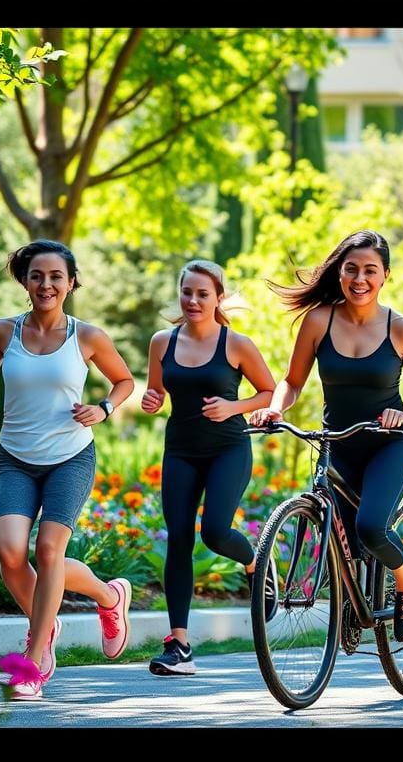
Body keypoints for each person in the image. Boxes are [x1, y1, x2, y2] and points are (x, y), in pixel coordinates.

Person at [249, 230, 403, 643]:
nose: (360, 278)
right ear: (339, 272)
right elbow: (292, 380)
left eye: (370, 270)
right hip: (337, 442)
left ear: (385, 276)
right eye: (351, 269)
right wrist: (274, 407)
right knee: (339, 532)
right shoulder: (319, 320)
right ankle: (351, 605)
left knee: (372, 527)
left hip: (389, 444)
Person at [0, 239, 135, 700]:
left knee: (48, 551)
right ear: (24, 281)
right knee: (10, 554)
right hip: (17, 459)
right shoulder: (4, 332)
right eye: (37, 275)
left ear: (71, 282)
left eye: (56, 276)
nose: (46, 284)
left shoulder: (88, 337)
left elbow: (124, 381)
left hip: (70, 458)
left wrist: (103, 408)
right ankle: (104, 597)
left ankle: (35, 656)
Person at [142, 260, 276, 676]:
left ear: (219, 298)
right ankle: (179, 646)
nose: (194, 301)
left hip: (227, 449)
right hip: (180, 450)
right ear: (179, 294)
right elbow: (156, 389)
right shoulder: (162, 342)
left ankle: (257, 563)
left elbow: (268, 391)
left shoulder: (235, 344)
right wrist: (151, 399)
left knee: (215, 531)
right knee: (178, 539)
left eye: (203, 294)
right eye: (187, 293)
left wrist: (233, 407)